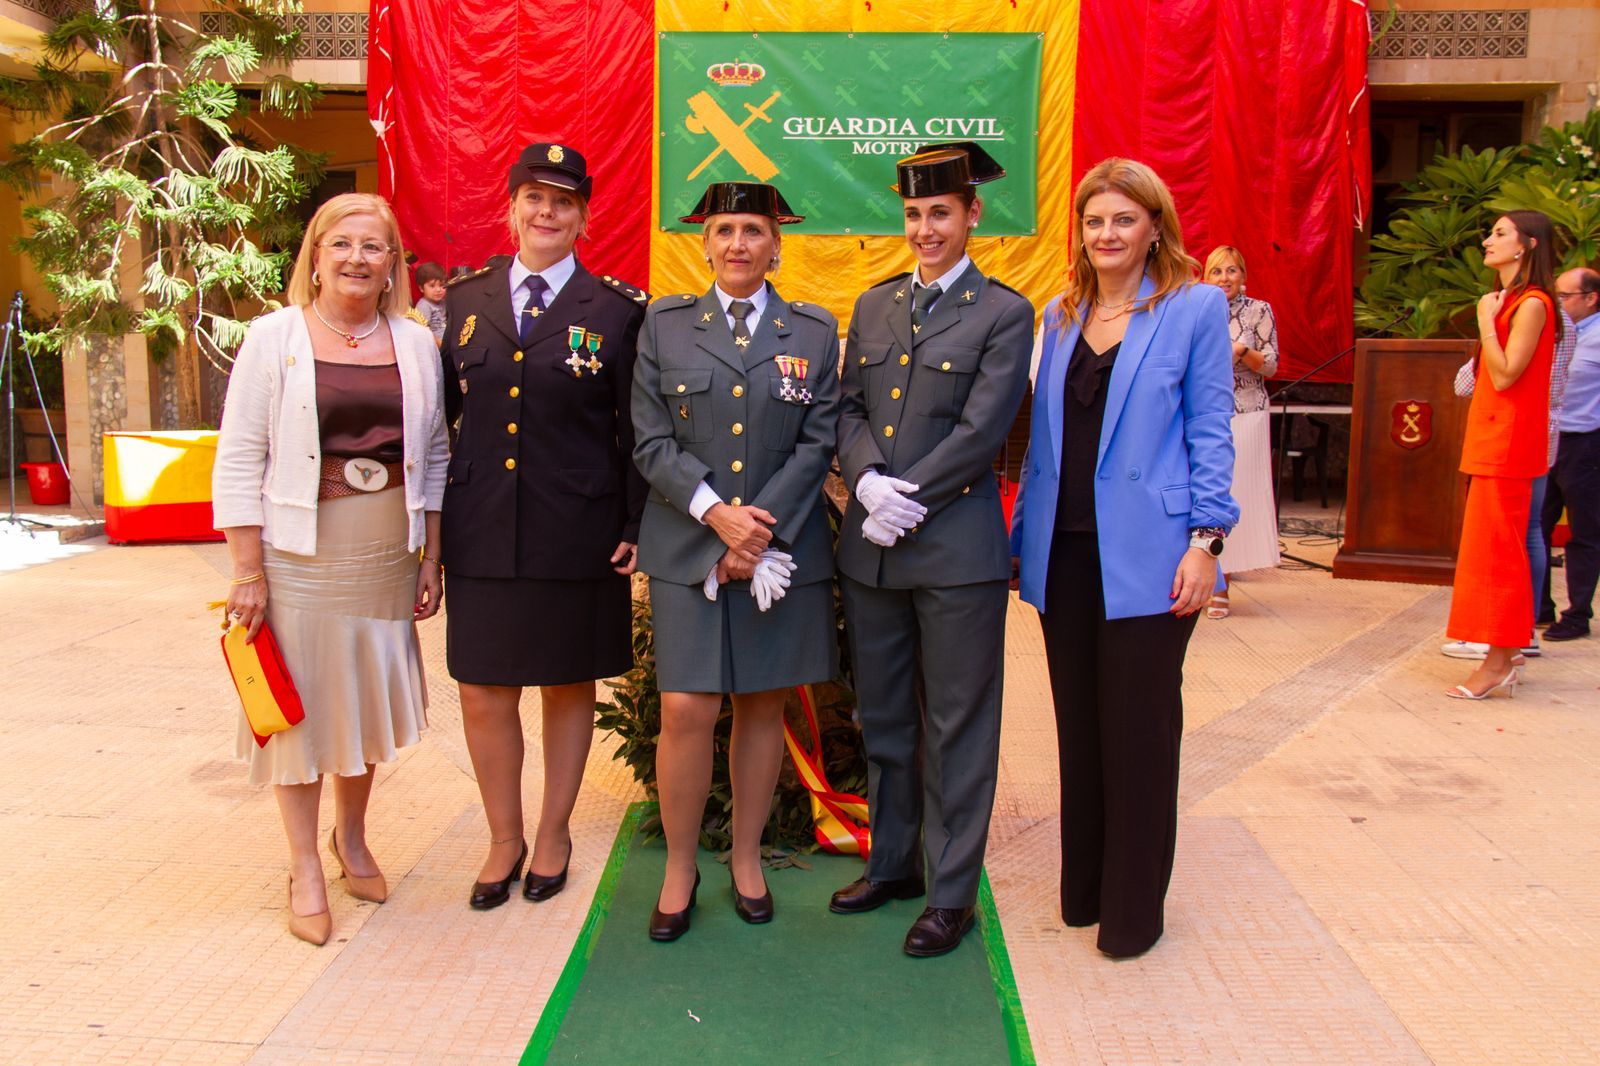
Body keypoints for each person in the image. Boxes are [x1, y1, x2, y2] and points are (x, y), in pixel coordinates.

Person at [1010, 158, 1237, 958]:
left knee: (1138, 733)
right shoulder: (1060, 314)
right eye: (1094, 221)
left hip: (1151, 556)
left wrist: (1208, 542)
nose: (1106, 234)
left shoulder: (1195, 308)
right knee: (1079, 729)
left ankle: (1134, 912)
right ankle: (1086, 890)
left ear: (1153, 227)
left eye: (1123, 220)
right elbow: (1045, 441)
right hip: (1062, 554)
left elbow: (1213, 428)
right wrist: (1019, 542)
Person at [212, 192, 450, 945]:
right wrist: (248, 571)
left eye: (373, 246)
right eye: (340, 243)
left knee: (362, 702)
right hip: (300, 554)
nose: (356, 258)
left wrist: (430, 555)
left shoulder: (416, 343)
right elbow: (239, 458)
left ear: (392, 266)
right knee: (302, 710)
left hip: (386, 549)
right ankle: (302, 865)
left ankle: (351, 838)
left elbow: (436, 454)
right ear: (314, 256)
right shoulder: (272, 337)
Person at [831, 142, 1034, 958]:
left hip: (954, 551)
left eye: (940, 214)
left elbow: (984, 427)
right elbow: (845, 407)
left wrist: (901, 498)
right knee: (882, 716)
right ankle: (894, 864)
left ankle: (951, 891)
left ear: (972, 215)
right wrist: (865, 480)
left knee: (956, 725)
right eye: (914, 215)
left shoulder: (1004, 313)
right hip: (872, 552)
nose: (925, 230)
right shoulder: (875, 306)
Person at [439, 143, 648, 909]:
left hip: (577, 529)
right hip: (483, 526)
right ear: (512, 208)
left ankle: (554, 831)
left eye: (563, 202)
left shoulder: (619, 310)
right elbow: (441, 424)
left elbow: (634, 428)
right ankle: (504, 837)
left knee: (567, 684)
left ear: (583, 217)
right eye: (534, 198)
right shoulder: (465, 301)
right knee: (483, 690)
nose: (546, 213)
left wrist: (633, 520)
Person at [631, 181, 840, 941]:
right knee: (689, 707)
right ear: (706, 243)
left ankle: (746, 859)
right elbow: (651, 439)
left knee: (761, 703)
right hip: (690, 543)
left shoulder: (812, 331)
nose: (739, 244)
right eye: (725, 230)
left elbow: (818, 441)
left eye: (753, 230)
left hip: (780, 547)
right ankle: (681, 865)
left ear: (775, 243)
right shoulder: (665, 326)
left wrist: (757, 529)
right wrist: (717, 518)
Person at [1443, 210, 1559, 699]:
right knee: (1486, 553)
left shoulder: (1532, 303)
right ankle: (1503, 654)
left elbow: (1509, 373)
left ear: (1527, 246)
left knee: (1501, 557)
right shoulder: (1508, 299)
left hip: (1510, 442)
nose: (1488, 240)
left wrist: (1486, 321)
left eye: (1500, 233)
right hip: (1493, 437)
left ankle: (1498, 661)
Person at [1442, 294, 1574, 662]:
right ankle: (1522, 630)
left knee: (1512, 534)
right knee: (1529, 531)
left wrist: (1488, 326)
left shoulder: (1527, 313)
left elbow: (1475, 381)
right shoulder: (1559, 319)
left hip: (1515, 432)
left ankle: (1507, 632)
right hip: (1537, 430)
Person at [1201, 245, 1279, 617]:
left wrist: (1242, 350)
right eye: (1216, 272)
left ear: (1243, 276)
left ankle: (1223, 585)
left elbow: (1271, 366)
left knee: (1234, 495)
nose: (1224, 279)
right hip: (1202, 413)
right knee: (1202, 494)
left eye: (1231, 271)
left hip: (1244, 413)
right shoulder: (1197, 307)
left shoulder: (1258, 311)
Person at [1540, 267, 1600, 641]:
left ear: (1591, 298)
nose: (1557, 303)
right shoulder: (1557, 333)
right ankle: (1538, 607)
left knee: (1584, 532)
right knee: (1537, 526)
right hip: (1546, 439)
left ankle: (1577, 614)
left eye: (1564, 296)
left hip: (1586, 443)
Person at [412, 261, 448, 344]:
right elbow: (422, 331)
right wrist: (438, 343)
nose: (438, 290)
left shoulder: (443, 302)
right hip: (433, 344)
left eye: (442, 285)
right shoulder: (424, 305)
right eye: (432, 286)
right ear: (421, 288)